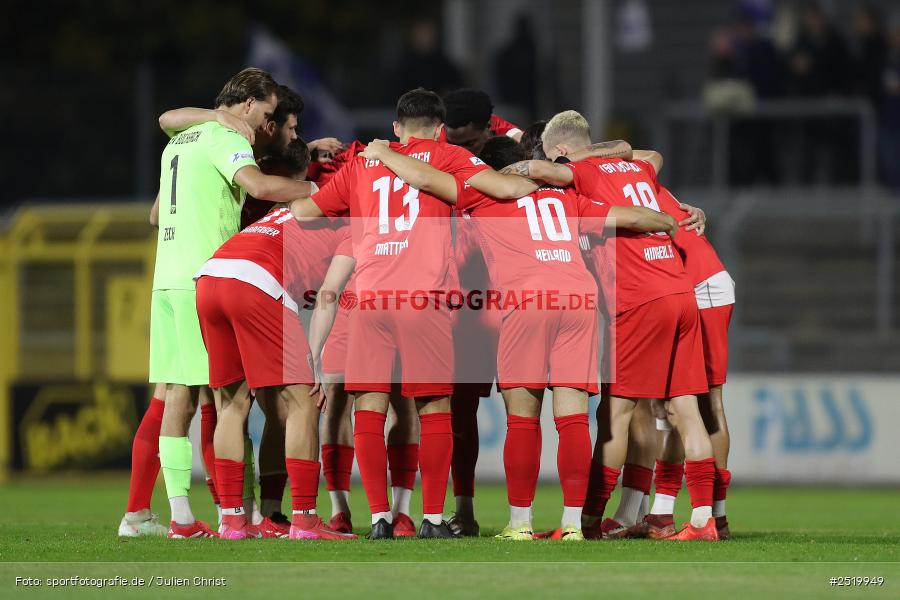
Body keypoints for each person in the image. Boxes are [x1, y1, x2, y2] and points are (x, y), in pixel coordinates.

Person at [361, 134, 677, 541]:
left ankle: (520, 523)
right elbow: (632, 216)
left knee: (523, 420)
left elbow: (425, 179)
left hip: (528, 302)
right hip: (578, 301)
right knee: (573, 417)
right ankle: (572, 525)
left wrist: (385, 154)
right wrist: (669, 218)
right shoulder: (565, 200)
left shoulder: (483, 196)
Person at [289, 88, 540, 539]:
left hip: (367, 297)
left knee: (369, 406)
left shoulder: (363, 162)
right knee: (434, 408)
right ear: (441, 129)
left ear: (396, 128)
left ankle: (381, 519)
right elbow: (508, 189)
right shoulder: (449, 156)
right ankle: (431, 518)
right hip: (423, 297)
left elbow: (306, 211)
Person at [502, 110, 718, 541]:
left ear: (561, 151)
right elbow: (652, 154)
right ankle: (703, 520)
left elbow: (543, 170)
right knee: (685, 410)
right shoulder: (637, 166)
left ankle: (589, 521)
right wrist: (616, 150)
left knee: (615, 414)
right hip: (681, 290)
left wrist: (517, 168)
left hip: (639, 296)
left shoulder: (575, 172)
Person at [150, 67, 317, 539]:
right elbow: (261, 187)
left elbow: (155, 211)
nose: (266, 123)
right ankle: (247, 512)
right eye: (266, 113)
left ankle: (190, 515)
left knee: (187, 396)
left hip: (169, 276)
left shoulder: (183, 139)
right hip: (211, 272)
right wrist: (321, 193)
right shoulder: (229, 137)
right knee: (235, 399)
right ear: (247, 104)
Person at [194, 140, 357, 540]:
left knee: (232, 403)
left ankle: (234, 521)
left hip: (211, 276)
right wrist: (315, 359)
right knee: (304, 401)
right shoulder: (353, 229)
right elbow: (328, 296)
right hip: (258, 281)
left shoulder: (282, 209)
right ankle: (304, 519)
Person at [441, 88, 523, 154]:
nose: (460, 153)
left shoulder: (516, 140)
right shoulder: (434, 136)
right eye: (451, 144)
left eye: (469, 144)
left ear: (488, 126)